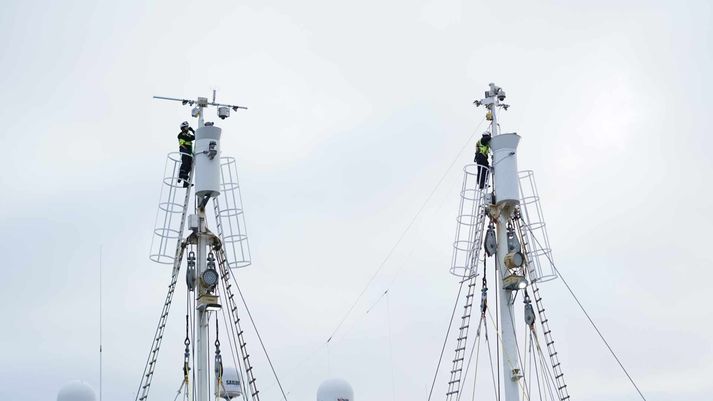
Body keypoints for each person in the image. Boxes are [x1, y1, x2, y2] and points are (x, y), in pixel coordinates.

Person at [177, 121, 195, 187]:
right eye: (186, 127)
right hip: (184, 149)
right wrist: (191, 132)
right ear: (183, 128)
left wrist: (192, 130)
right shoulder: (182, 134)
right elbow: (191, 138)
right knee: (185, 163)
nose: (187, 128)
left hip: (189, 152)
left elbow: (196, 136)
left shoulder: (188, 134)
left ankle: (185, 182)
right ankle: (180, 175)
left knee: (189, 166)